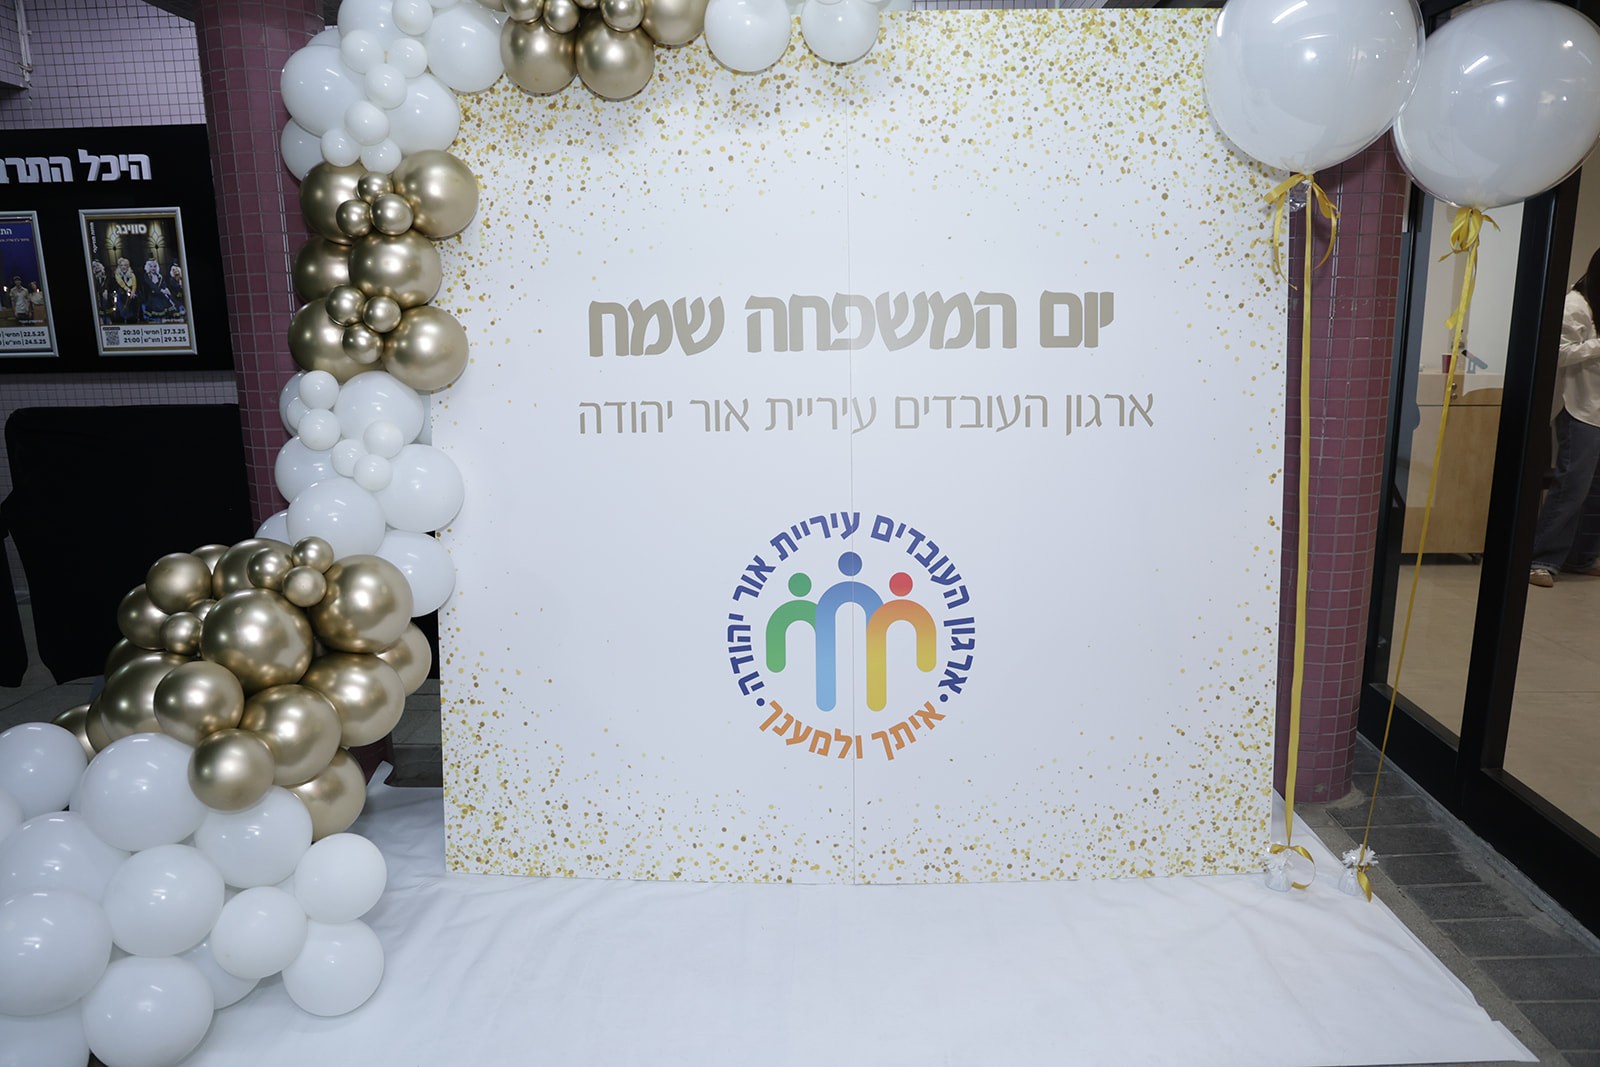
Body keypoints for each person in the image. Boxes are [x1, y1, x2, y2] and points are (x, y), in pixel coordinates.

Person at [1529, 246, 1600, 587]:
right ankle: (1540, 559)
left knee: (1595, 492)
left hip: (1597, 409)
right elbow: (1556, 353)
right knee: (1572, 487)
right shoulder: (1575, 306)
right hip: (1579, 409)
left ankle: (1580, 558)